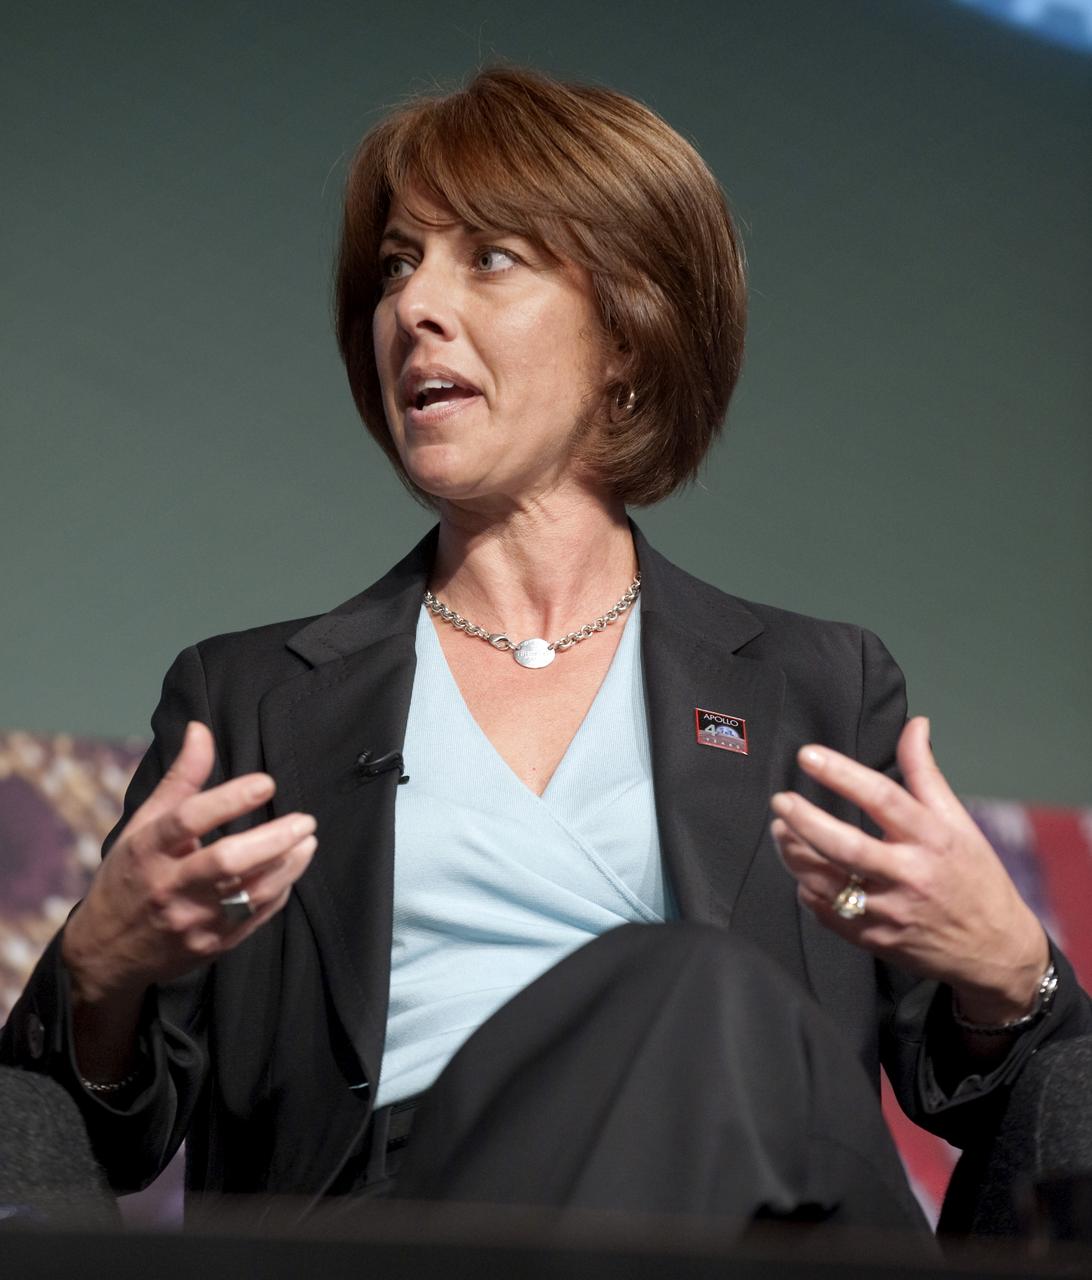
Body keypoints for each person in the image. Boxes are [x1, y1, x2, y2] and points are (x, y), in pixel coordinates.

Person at [2, 67, 1089, 1233]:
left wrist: (1010, 960)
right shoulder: (253, 697)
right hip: (403, 1219)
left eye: (491, 257)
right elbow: (69, 1130)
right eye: (397, 265)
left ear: (630, 331)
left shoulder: (815, 686)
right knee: (701, 990)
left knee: (714, 1008)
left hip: (773, 1202)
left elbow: (1010, 1086)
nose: (416, 305)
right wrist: (103, 965)